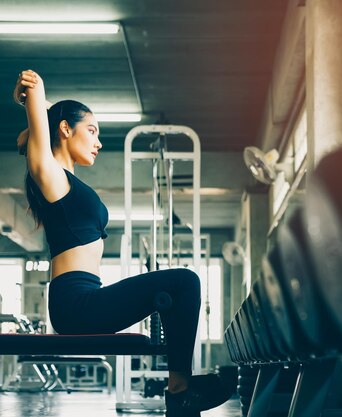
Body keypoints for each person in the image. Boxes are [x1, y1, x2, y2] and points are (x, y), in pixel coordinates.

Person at [13, 70, 233, 417]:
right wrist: (36, 92)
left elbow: (41, 132)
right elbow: (39, 146)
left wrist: (42, 111)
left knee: (181, 286)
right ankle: (179, 389)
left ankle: (181, 388)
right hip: (75, 303)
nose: (99, 141)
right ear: (66, 130)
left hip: (86, 297)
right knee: (184, 281)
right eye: (92, 130)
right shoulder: (51, 177)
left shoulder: (66, 181)